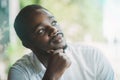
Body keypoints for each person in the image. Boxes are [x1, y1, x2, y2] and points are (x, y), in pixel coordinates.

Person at [8, 4, 114, 80]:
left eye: (53, 22)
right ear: (28, 44)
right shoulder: (20, 72)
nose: (54, 29)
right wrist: (52, 76)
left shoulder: (92, 57)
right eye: (41, 30)